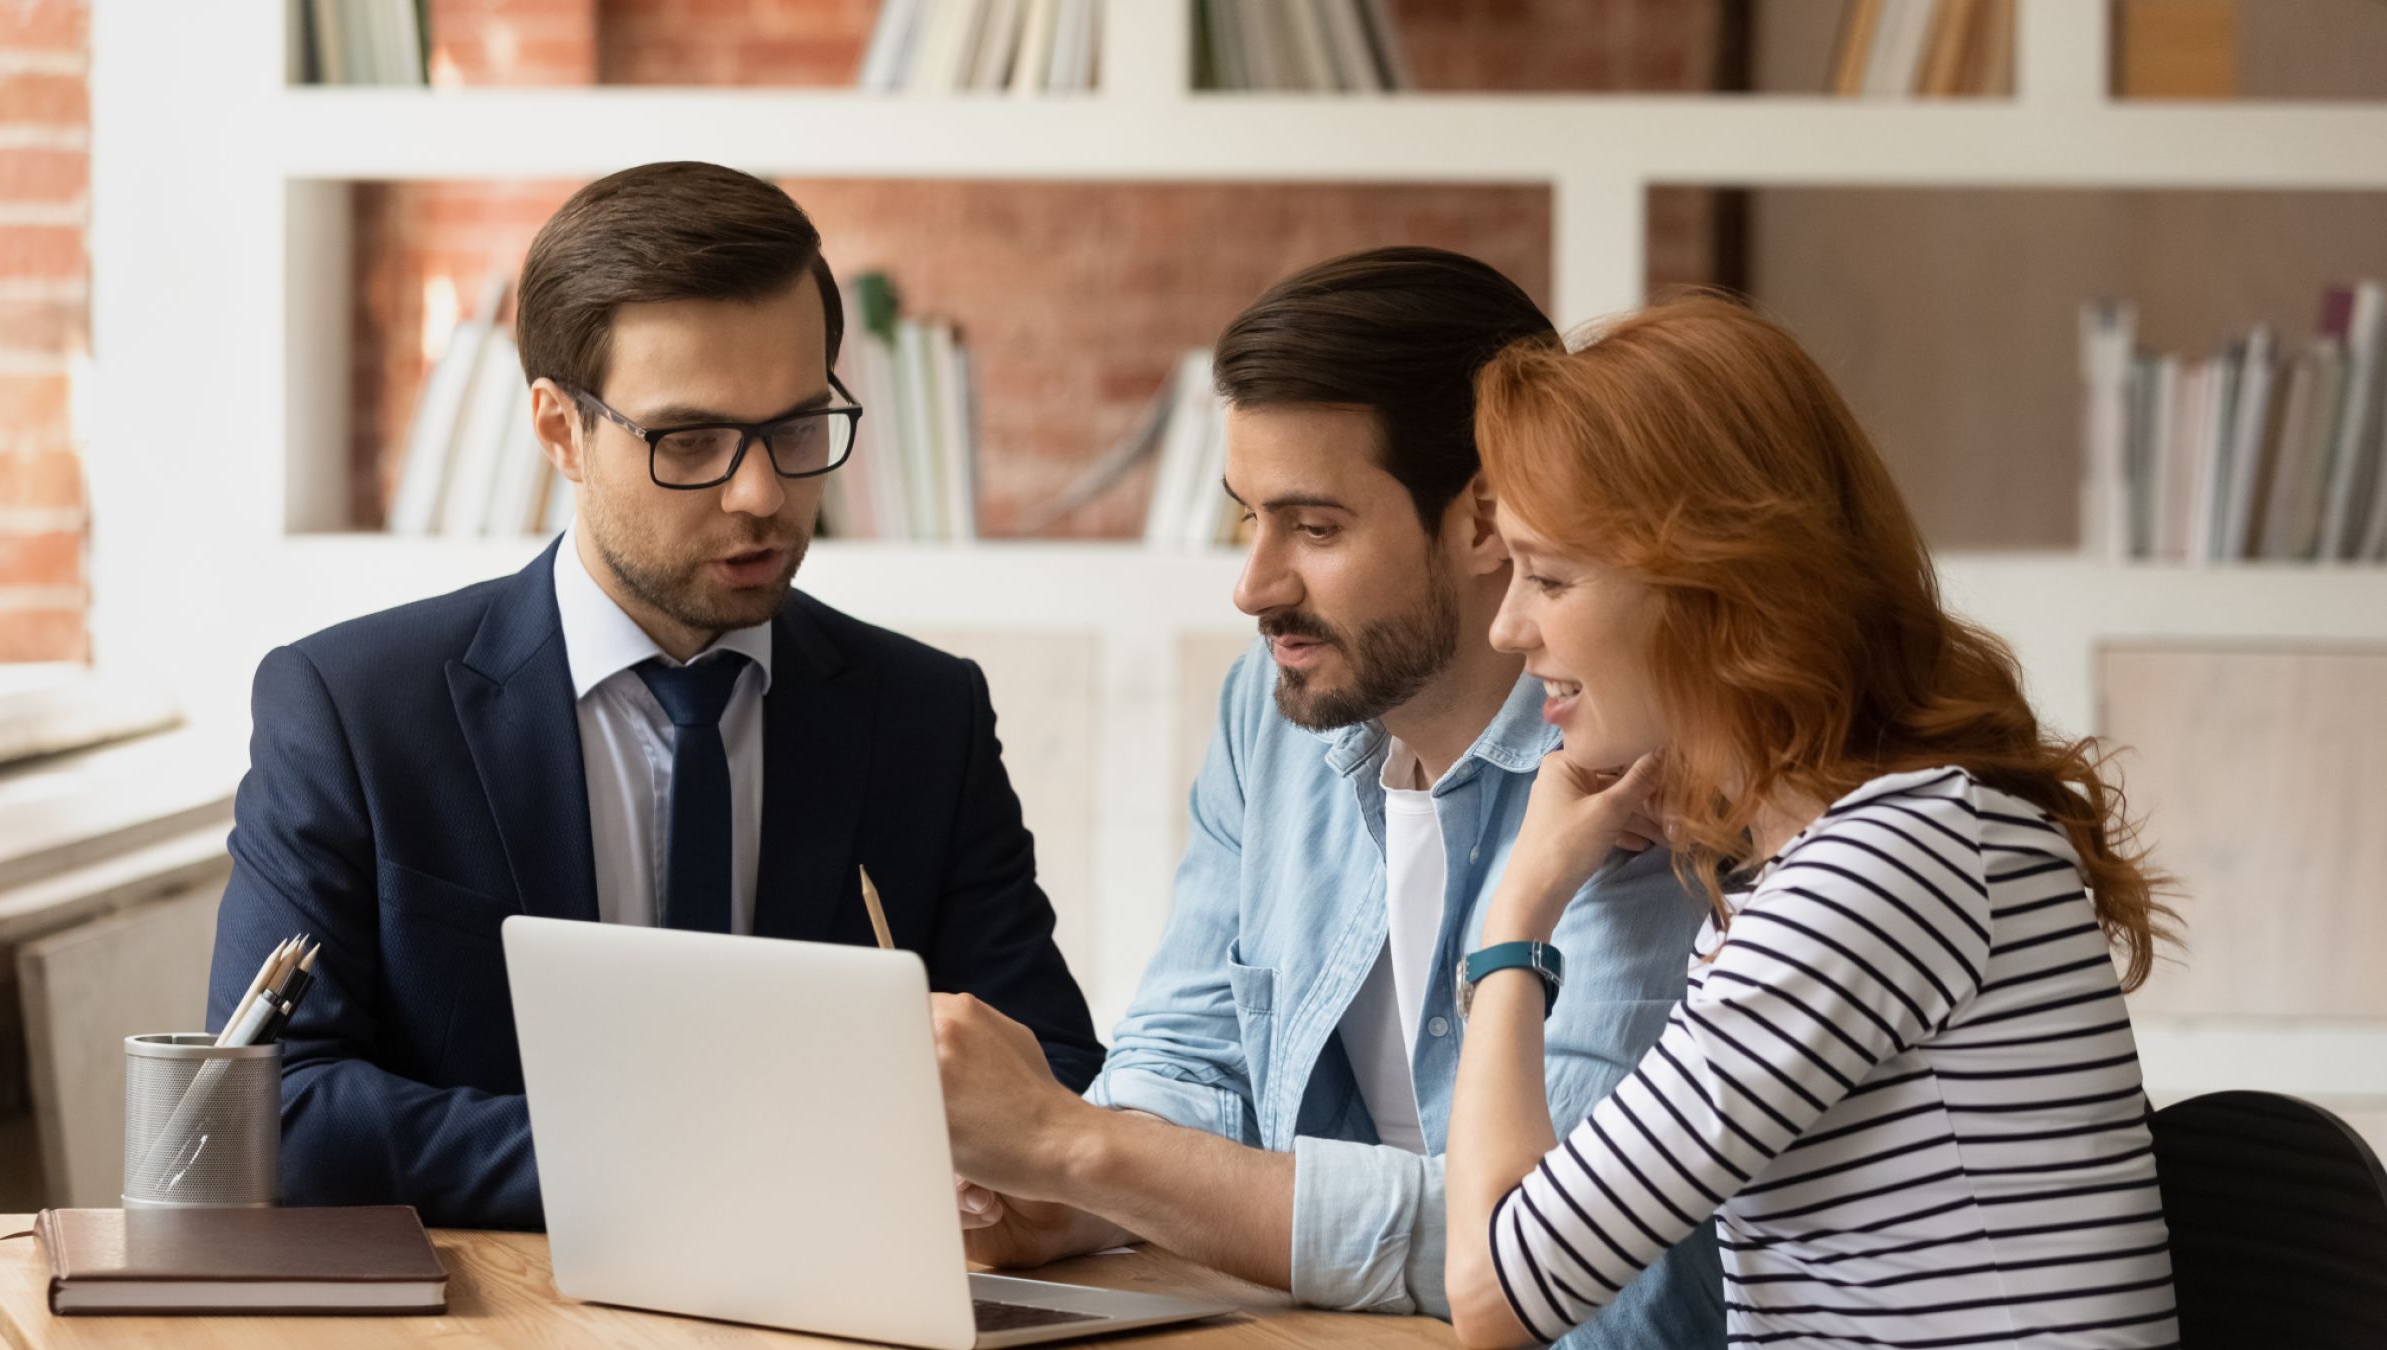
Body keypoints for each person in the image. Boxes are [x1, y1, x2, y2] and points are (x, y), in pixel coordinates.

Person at [206, 161, 1102, 1227]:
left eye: (799, 426)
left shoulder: (925, 715)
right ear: (557, 431)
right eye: (691, 441)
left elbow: (1053, 1079)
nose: (763, 493)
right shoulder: (351, 710)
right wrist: (689, 1167)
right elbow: (274, 1104)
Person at [929, 247, 1722, 1346]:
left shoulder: (1628, 758)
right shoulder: (1276, 709)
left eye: (1315, 527)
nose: (1254, 586)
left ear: (1485, 520)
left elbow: (1560, 1243)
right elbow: (1190, 1047)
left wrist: (1084, 1149)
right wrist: (1067, 1198)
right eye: (1246, 518)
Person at [1442, 292, 2181, 1347]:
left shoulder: (1887, 870)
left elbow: (1496, 1295)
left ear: (1718, 588)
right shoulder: (1864, 857)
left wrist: (1517, 912)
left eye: (1550, 577)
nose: (1510, 626)